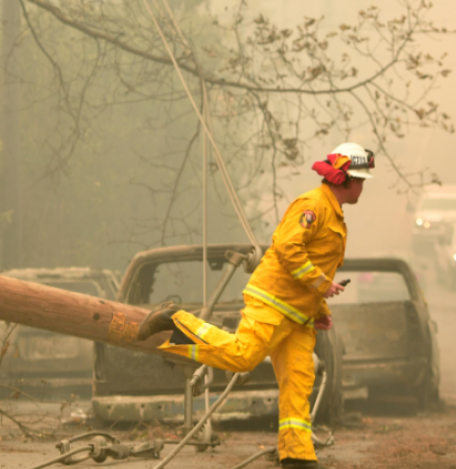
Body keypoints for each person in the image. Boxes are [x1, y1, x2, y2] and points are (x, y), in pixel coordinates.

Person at [137, 142, 374, 469]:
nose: (363, 187)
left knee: (298, 382)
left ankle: (297, 456)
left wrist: (320, 309)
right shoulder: (313, 206)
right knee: (242, 356)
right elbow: (288, 249)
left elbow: (314, 264)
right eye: (361, 180)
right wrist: (322, 285)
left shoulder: (332, 212)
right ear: (345, 179)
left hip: (298, 316)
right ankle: (174, 322)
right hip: (273, 302)